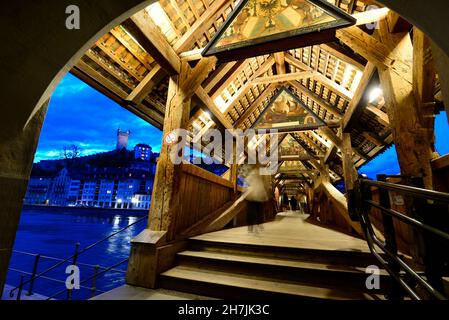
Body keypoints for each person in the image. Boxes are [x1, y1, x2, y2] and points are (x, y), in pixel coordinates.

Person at [245, 166, 270, 234]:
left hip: (251, 194)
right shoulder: (264, 173)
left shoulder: (251, 173)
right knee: (259, 211)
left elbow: (247, 181)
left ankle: (250, 227)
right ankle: (258, 225)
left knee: (251, 211)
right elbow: (267, 185)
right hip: (260, 195)